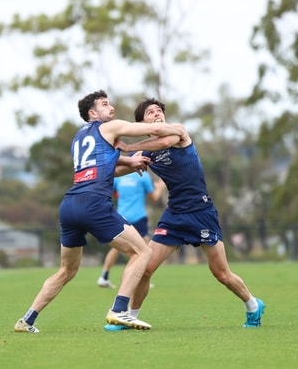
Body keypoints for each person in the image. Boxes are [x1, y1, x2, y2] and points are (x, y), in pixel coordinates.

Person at [14, 90, 186, 333]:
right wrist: (177, 129)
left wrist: (129, 162)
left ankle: (27, 319)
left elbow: (107, 169)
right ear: (92, 113)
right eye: (105, 105)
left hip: (70, 205)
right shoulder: (111, 127)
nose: (112, 108)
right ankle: (119, 310)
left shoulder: (79, 137)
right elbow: (156, 131)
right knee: (142, 253)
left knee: (66, 270)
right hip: (94, 203)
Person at [114, 98, 265, 329]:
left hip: (201, 211)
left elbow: (165, 141)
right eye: (150, 113)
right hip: (174, 215)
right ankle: (130, 317)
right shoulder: (146, 151)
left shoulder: (178, 132)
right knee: (145, 269)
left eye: (158, 111)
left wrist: (128, 147)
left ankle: (253, 305)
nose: (156, 115)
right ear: (142, 122)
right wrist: (104, 165)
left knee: (222, 274)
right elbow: (121, 168)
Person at [97, 172, 164, 288]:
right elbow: (154, 198)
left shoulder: (119, 176)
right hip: (138, 216)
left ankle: (104, 276)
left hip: (121, 216)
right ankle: (141, 278)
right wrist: (160, 188)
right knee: (145, 249)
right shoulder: (143, 176)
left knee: (116, 248)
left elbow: (110, 193)